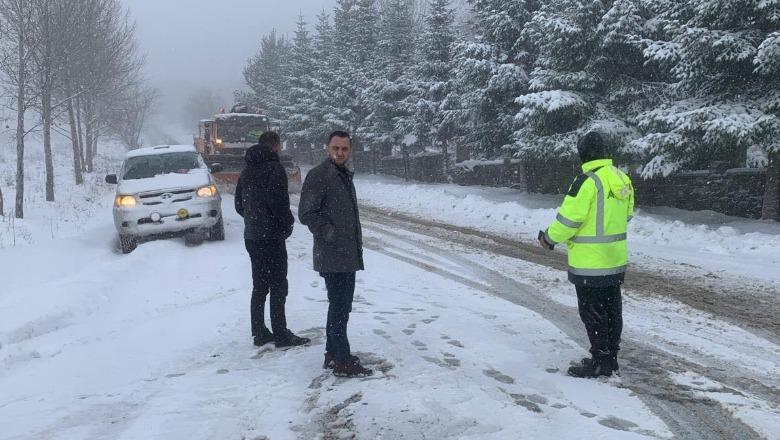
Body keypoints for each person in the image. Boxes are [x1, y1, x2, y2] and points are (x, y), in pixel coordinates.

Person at [538, 131, 634, 378]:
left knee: (592, 311)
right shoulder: (621, 178)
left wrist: (549, 238)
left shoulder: (586, 181)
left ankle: (600, 361)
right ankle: (610, 357)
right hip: (614, 260)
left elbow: (570, 219)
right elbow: (628, 214)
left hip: (589, 262)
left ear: (583, 153)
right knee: (613, 310)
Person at [299, 131, 373, 378]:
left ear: (349, 150)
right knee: (340, 307)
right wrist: (329, 233)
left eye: (344, 148)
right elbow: (306, 213)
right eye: (336, 148)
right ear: (327, 148)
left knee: (340, 306)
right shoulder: (320, 175)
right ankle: (342, 360)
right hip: (333, 254)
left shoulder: (342, 174)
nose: (340, 152)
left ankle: (333, 353)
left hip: (346, 254)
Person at [235, 131, 310, 348]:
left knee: (259, 286)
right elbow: (279, 203)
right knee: (278, 284)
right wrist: (287, 223)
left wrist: (253, 219)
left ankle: (259, 332)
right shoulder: (274, 169)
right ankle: (281, 333)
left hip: (252, 237)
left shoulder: (246, 171)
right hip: (272, 237)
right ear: (275, 146)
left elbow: (239, 205)